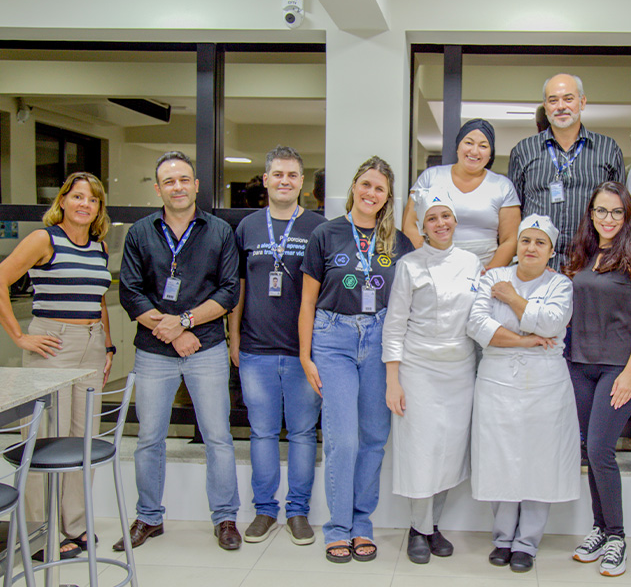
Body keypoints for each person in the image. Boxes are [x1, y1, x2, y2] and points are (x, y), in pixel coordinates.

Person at [117, 151, 242, 551]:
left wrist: (185, 323)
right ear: (158, 188)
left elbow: (228, 291)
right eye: (169, 181)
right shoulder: (140, 233)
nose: (177, 187)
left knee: (218, 437)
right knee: (149, 438)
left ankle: (225, 518)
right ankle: (149, 517)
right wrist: (172, 332)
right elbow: (130, 292)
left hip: (205, 347)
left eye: (184, 179)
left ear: (196, 185)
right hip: (154, 351)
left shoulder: (220, 232)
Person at [299, 156, 414, 563]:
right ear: (354, 186)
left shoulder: (398, 242)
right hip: (333, 340)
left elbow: (406, 305)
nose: (371, 193)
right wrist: (305, 355)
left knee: (373, 440)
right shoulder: (326, 234)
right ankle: (338, 527)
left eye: (379, 189)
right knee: (342, 439)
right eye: (366, 185)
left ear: (387, 197)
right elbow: (307, 302)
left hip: (380, 340)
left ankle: (362, 524)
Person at [0, 172, 113, 561]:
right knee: (46, 438)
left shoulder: (98, 247)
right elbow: (1, 277)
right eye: (77, 196)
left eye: (93, 199)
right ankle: (38, 531)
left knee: (82, 440)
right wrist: (19, 337)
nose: (85, 204)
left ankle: (75, 527)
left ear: (99, 208)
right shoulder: (43, 239)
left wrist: (108, 345)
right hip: (52, 344)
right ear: (62, 200)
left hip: (92, 345)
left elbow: (97, 299)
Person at [467, 214, 580, 573]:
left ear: (551, 250)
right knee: (500, 457)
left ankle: (527, 542)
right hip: (498, 378)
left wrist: (513, 300)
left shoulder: (561, 284)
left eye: (540, 242)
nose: (531, 247)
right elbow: (477, 324)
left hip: (545, 383)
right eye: (526, 240)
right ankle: (502, 538)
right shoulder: (495, 276)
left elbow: (552, 323)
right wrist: (526, 340)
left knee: (538, 461)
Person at [228, 146, 326, 546]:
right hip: (256, 350)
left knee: (303, 433)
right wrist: (233, 337)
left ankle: (298, 511)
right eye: (277, 174)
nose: (285, 181)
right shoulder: (248, 227)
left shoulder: (321, 228)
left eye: (292, 175)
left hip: (306, 352)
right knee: (262, 433)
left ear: (301, 183)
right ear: (265, 180)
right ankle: (265, 511)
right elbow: (238, 288)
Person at [565, 182, 631, 576]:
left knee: (602, 449)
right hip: (579, 365)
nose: (608, 219)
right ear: (591, 214)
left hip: (618, 368)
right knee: (591, 449)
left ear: (628, 216)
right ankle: (599, 529)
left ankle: (617, 536)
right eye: (601, 211)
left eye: (616, 212)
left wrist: (630, 372)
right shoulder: (582, 255)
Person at [383, 188, 482, 564]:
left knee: (448, 452)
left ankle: (432, 525)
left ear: (455, 221)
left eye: (446, 217)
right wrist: (393, 380)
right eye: (432, 219)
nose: (440, 224)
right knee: (421, 452)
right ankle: (418, 528)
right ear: (422, 227)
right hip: (418, 369)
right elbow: (394, 327)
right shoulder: (409, 265)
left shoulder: (472, 263)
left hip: (460, 370)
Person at [508, 74, 625, 270]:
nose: (561, 106)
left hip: (591, 264)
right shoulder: (523, 151)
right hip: (537, 266)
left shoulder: (608, 149)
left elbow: (620, 212)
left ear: (583, 101)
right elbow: (513, 214)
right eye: (553, 100)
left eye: (568, 99)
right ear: (545, 107)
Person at [402, 118, 520, 268]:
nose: (474, 151)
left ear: (490, 153)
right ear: (458, 146)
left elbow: (510, 239)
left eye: (483, 146)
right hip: (433, 266)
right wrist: (430, 260)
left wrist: (489, 273)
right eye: (469, 143)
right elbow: (410, 224)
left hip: (483, 273)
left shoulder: (503, 186)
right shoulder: (431, 177)